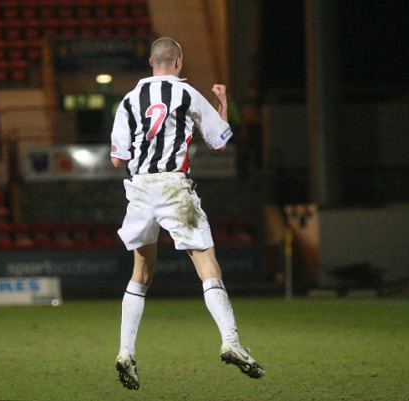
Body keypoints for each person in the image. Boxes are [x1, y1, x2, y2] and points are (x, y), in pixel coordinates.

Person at [110, 37, 265, 391]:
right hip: (174, 188)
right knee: (208, 266)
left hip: (140, 188)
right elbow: (221, 140)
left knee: (141, 273)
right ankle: (230, 341)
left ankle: (125, 352)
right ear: (178, 63)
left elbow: (117, 159)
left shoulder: (129, 100)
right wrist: (222, 103)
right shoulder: (188, 95)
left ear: (151, 62)